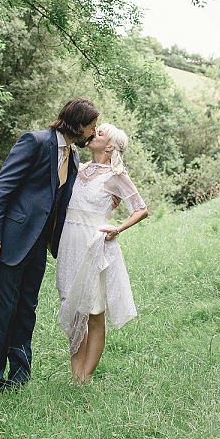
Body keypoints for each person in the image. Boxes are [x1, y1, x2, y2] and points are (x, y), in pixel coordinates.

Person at [0, 98, 99, 393]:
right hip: (11, 240)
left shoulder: (72, 158)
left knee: (26, 310)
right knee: (3, 310)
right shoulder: (34, 142)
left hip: (39, 247)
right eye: (92, 128)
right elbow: (2, 187)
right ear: (79, 124)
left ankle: (19, 377)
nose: (93, 134)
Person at [56, 123, 148, 383]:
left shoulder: (115, 175)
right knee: (73, 308)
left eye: (99, 133)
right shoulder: (78, 168)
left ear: (109, 146)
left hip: (94, 246)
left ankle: (85, 375)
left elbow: (140, 209)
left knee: (94, 312)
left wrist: (117, 229)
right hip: (69, 244)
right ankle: (75, 376)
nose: (92, 134)